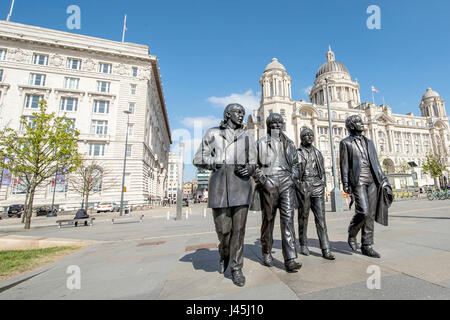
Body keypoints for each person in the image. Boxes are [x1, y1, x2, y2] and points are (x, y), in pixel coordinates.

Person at [193, 103, 256, 287]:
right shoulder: (212, 133)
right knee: (223, 230)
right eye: (238, 112)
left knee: (239, 230)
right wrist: (216, 161)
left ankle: (236, 268)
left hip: (241, 186)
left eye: (243, 113)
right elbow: (198, 158)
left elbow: (254, 161)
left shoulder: (247, 137)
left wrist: (249, 168)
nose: (241, 115)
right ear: (228, 114)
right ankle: (224, 252)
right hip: (219, 185)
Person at [254, 113, 302, 273]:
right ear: (268, 125)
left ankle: (290, 258)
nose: (276, 125)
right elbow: (253, 165)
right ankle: (266, 251)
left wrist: (293, 176)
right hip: (270, 181)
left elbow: (295, 162)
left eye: (279, 122)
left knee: (288, 219)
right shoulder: (260, 143)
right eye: (273, 123)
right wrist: (263, 180)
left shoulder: (289, 143)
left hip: (287, 181)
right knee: (268, 219)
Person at [339, 115, 392, 258]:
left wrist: (384, 180)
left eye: (361, 121)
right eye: (357, 122)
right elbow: (344, 165)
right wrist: (345, 183)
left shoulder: (370, 142)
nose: (361, 123)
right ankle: (352, 232)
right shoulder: (346, 143)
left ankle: (367, 245)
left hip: (372, 180)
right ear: (350, 126)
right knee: (363, 210)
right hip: (358, 180)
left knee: (370, 214)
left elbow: (376, 163)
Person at [296, 128, 335, 260]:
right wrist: (299, 185)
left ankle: (326, 249)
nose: (309, 137)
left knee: (321, 219)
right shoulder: (297, 153)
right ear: (301, 137)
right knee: (303, 217)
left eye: (311, 135)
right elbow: (294, 172)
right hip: (304, 185)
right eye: (306, 135)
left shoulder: (317, 152)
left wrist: (322, 182)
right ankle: (303, 244)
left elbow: (322, 170)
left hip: (317, 186)